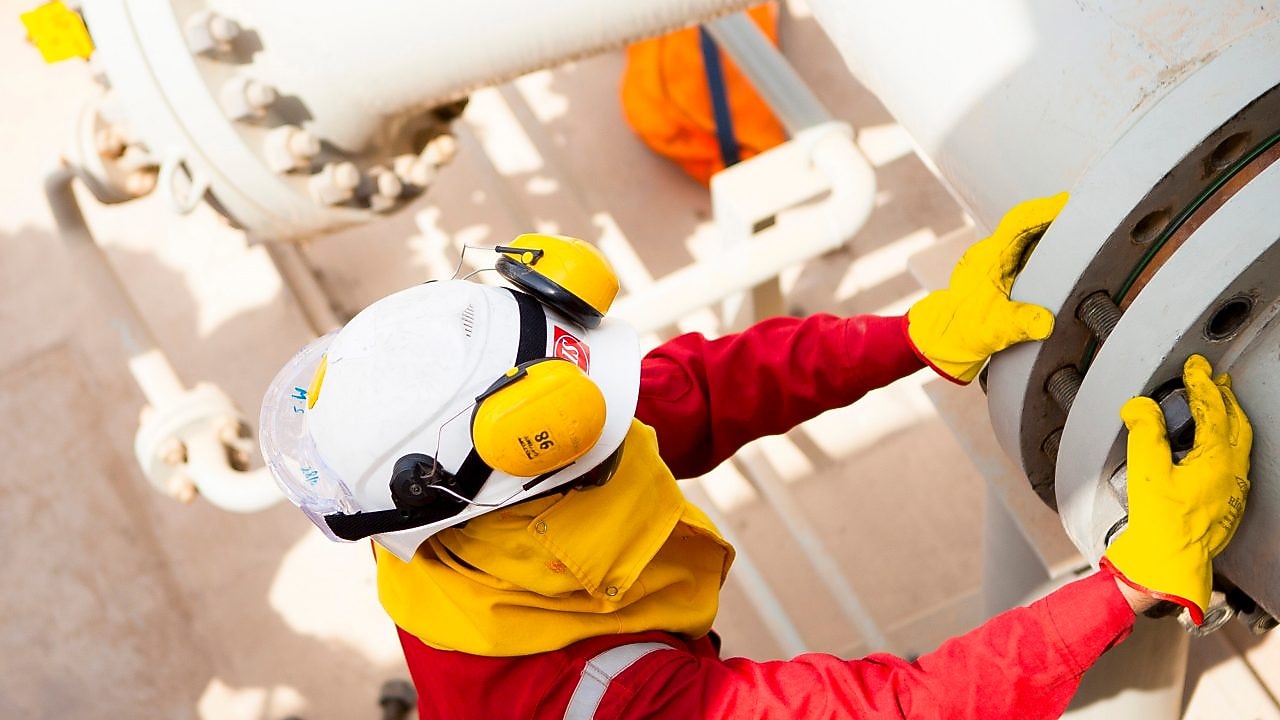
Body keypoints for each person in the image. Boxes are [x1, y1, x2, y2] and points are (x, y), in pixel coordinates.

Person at [259, 194, 1252, 719]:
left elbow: (696, 390)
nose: (628, 413)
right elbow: (897, 712)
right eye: (600, 437)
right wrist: (1119, 588)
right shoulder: (590, 702)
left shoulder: (467, 506)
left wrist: (916, 334)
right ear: (533, 488)